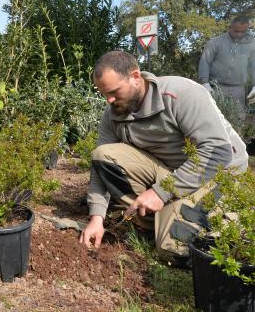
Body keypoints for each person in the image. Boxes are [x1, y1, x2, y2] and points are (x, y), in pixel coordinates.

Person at [79, 51, 248, 263]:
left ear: (135, 77)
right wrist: (96, 218)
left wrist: (161, 193)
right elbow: (99, 167)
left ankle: (233, 217)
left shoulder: (181, 94)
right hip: (173, 171)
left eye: (114, 92)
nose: (109, 100)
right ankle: (161, 220)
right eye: (104, 94)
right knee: (103, 155)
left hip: (217, 172)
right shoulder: (113, 113)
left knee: (172, 249)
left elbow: (218, 151)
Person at [198, 16, 255, 113]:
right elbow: (205, 62)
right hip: (215, 88)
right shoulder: (215, 42)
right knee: (213, 117)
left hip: (238, 89)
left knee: (237, 119)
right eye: (236, 31)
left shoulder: (252, 44)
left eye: (243, 31)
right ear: (230, 27)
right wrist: (205, 83)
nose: (239, 34)